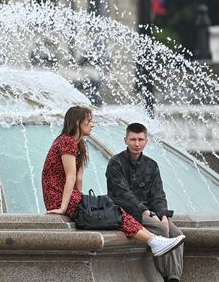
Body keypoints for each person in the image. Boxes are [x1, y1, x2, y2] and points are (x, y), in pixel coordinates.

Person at [42, 106, 184, 259]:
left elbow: (79, 178)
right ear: (78, 123)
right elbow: (70, 177)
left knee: (114, 209)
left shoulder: (79, 144)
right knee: (112, 213)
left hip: (71, 197)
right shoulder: (67, 142)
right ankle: (154, 241)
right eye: (89, 121)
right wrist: (63, 208)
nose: (92, 124)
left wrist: (82, 201)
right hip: (58, 197)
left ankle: (155, 241)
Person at [106, 122, 196, 282]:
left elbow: (158, 194)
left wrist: (163, 215)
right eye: (133, 139)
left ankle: (174, 281)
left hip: (150, 212)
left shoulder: (151, 165)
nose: (136, 143)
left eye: (140, 139)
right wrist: (146, 211)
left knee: (177, 234)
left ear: (146, 141)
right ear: (125, 140)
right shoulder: (115, 163)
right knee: (159, 229)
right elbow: (123, 194)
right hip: (126, 211)